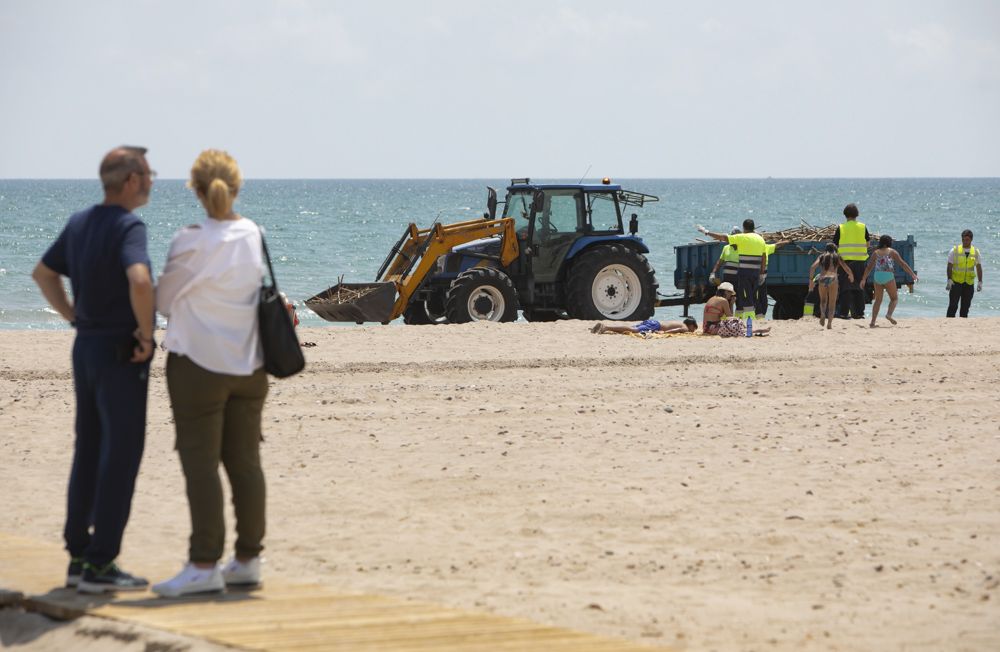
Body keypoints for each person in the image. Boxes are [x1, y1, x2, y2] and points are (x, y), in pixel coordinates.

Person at [31, 146, 155, 593]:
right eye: (147, 173)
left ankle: (79, 558)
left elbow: (44, 274)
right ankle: (102, 565)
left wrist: (73, 317)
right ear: (129, 181)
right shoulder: (128, 225)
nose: (152, 180)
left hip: (86, 348)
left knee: (89, 449)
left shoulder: (80, 222)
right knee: (120, 455)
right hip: (121, 350)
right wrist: (146, 333)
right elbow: (140, 280)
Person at [152, 150, 269, 597]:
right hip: (251, 364)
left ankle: (204, 563)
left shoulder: (191, 238)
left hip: (198, 366)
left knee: (201, 465)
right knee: (244, 464)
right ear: (236, 186)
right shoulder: (254, 234)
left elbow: (164, 302)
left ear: (196, 190)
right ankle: (247, 560)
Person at [697, 219, 767, 320]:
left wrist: (706, 232)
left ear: (744, 228)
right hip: (755, 274)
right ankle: (750, 320)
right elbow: (764, 257)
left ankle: (749, 322)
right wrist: (762, 274)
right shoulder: (761, 239)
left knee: (745, 298)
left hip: (745, 273)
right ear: (753, 227)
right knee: (753, 296)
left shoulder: (743, 237)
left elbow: (723, 237)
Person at [859, 235, 919, 327]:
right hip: (888, 276)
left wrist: (863, 279)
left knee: (878, 300)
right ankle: (889, 314)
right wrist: (912, 274)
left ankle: (872, 322)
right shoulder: (892, 252)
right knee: (894, 299)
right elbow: (903, 264)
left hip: (878, 276)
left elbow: (869, 267)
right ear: (889, 243)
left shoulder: (876, 253)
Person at [832, 203, 871, 319]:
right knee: (859, 288)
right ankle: (859, 313)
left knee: (845, 288)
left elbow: (835, 245)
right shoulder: (863, 227)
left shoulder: (841, 227)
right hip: (860, 262)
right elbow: (868, 244)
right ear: (857, 215)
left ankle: (843, 313)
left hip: (845, 262)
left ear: (845, 215)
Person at [808, 243, 854, 330]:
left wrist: (811, 280)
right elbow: (846, 268)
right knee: (832, 303)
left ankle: (822, 314)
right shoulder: (837, 257)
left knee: (823, 300)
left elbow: (812, 267)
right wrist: (851, 275)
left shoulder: (822, 256)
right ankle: (829, 323)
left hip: (822, 278)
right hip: (833, 279)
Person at [946, 229, 984, 318]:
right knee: (953, 306)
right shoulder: (954, 250)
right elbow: (949, 266)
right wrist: (949, 279)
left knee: (965, 308)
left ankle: (962, 326)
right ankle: (949, 324)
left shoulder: (975, 252)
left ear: (971, 240)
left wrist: (980, 282)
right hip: (956, 283)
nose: (965, 241)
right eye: (963, 239)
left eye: (967, 239)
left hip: (969, 284)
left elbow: (978, 267)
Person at [755, 239, 791, 319]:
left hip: (753, 275)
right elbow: (776, 245)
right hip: (761, 275)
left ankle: (759, 315)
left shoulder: (753, 248)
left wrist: (785, 242)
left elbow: (777, 245)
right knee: (762, 296)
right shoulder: (765, 247)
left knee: (756, 296)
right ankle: (761, 315)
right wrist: (787, 241)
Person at [591, 317, 699, 335]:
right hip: (655, 326)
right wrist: (664, 333)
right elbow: (679, 330)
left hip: (653, 322)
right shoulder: (684, 326)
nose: (692, 331)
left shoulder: (679, 321)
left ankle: (606, 327)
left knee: (630, 328)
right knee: (634, 330)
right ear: (691, 324)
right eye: (693, 329)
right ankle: (606, 327)